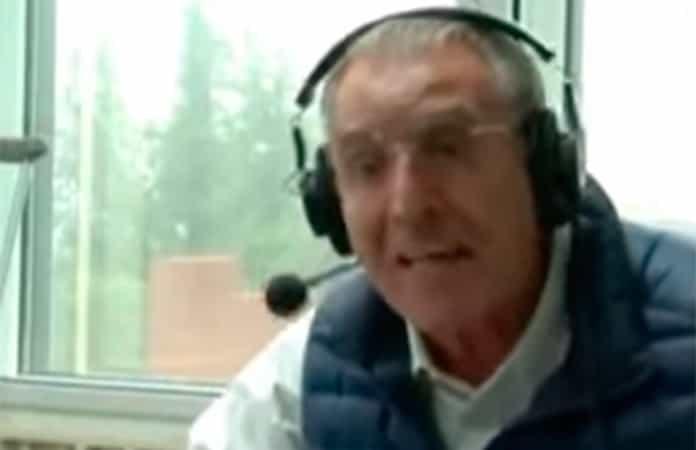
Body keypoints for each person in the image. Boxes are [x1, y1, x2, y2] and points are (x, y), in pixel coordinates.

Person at [190, 8, 696, 450]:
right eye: (366, 164)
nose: (408, 208)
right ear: (329, 200)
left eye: (447, 148)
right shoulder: (314, 372)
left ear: (543, 167)